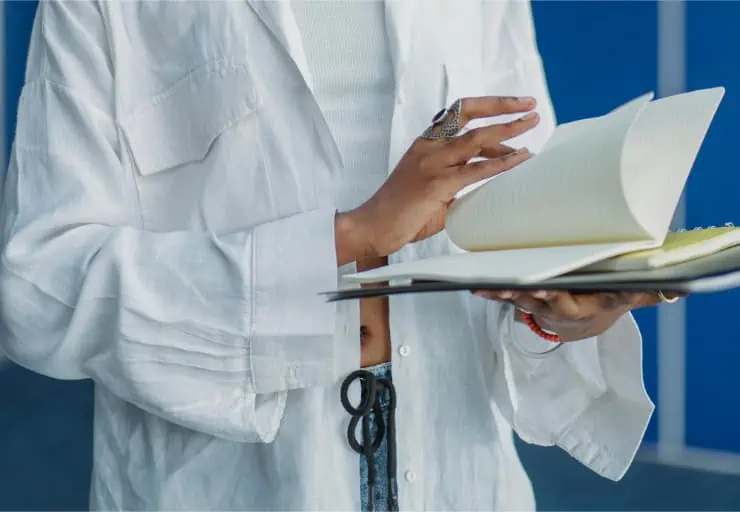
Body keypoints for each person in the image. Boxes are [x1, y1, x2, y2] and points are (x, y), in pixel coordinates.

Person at [0, 1, 676, 510]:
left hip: (463, 477)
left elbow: (522, 230)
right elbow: (35, 286)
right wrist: (352, 237)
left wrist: (558, 316)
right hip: (224, 487)